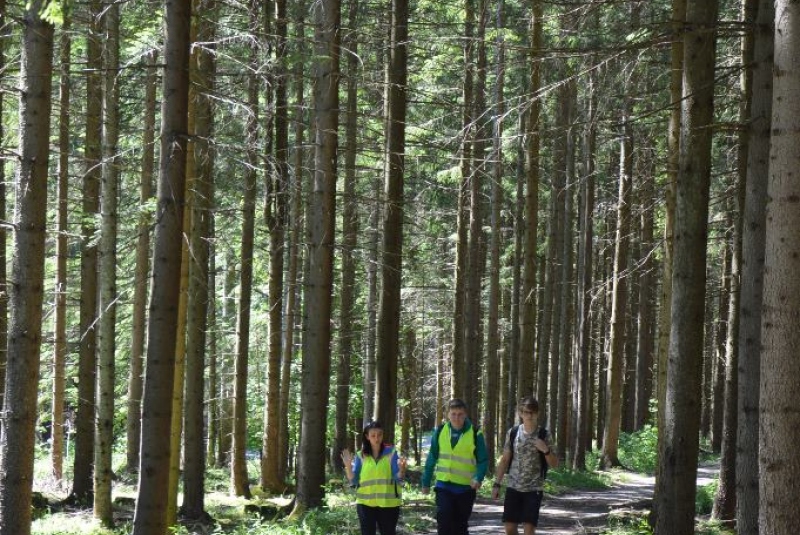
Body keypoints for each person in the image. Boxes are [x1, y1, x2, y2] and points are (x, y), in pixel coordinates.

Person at [491, 396, 557, 535]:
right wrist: (497, 484)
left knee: (528, 531)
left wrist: (545, 450)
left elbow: (554, 464)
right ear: (520, 414)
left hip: (534, 488)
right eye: (526, 412)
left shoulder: (544, 435)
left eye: (532, 412)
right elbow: (505, 460)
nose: (529, 415)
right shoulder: (513, 433)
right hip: (513, 486)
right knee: (509, 529)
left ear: (537, 413)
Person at [421, 398, 488, 535]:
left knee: (460, 526)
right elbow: (432, 457)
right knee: (443, 520)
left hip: (465, 488)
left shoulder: (475, 434)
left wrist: (478, 477)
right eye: (453, 414)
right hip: (444, 486)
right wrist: (426, 481)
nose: (456, 418)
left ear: (465, 415)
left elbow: (483, 460)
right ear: (448, 415)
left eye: (460, 414)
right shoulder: (440, 431)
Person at [342, 421, 407, 535]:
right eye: (373, 435)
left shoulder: (391, 453)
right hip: (365, 504)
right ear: (367, 437)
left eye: (379, 434)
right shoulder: (360, 456)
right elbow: (354, 480)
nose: (377, 438)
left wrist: (402, 470)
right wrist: (348, 467)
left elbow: (398, 478)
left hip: (389, 503)